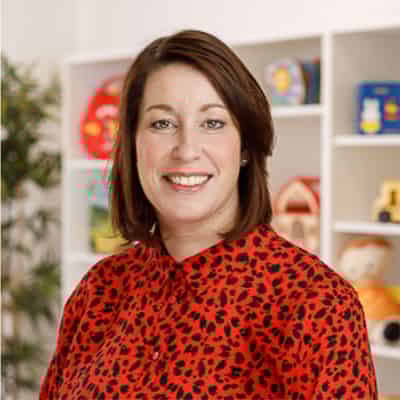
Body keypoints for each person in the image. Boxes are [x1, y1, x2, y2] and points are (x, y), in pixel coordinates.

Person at [40, 30, 378, 400]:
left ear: (245, 145)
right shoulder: (99, 291)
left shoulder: (318, 305)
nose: (186, 149)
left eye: (213, 123)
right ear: (134, 144)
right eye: (162, 123)